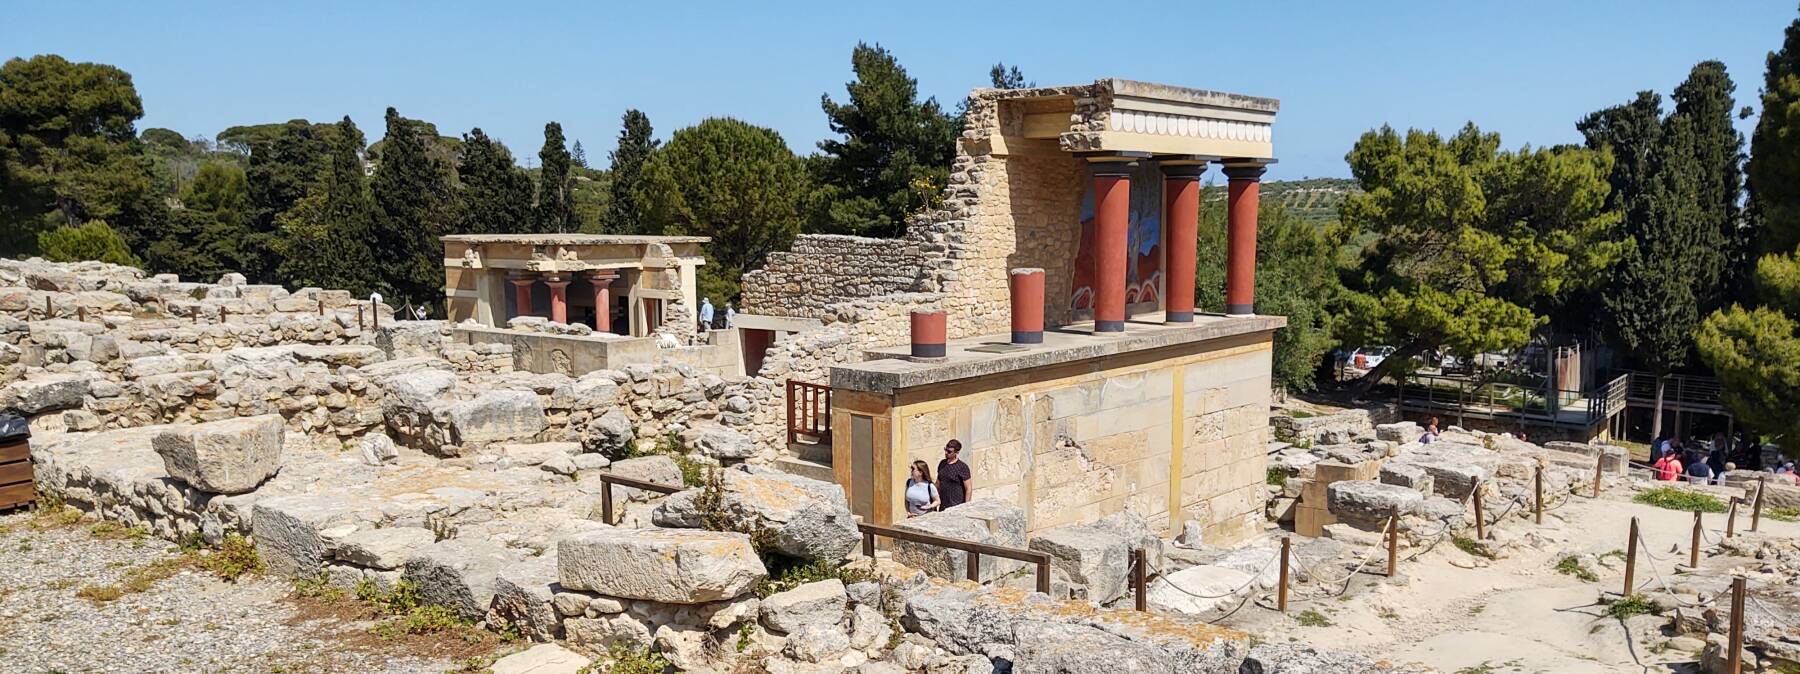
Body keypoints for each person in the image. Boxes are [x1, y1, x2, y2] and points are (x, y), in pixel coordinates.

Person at [936, 439, 972, 510]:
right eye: (945, 450)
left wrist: (966, 507)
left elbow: (968, 489)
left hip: (956, 506)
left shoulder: (962, 467)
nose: (946, 453)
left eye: (949, 451)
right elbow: (938, 483)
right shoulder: (942, 463)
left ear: (956, 452)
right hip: (943, 506)